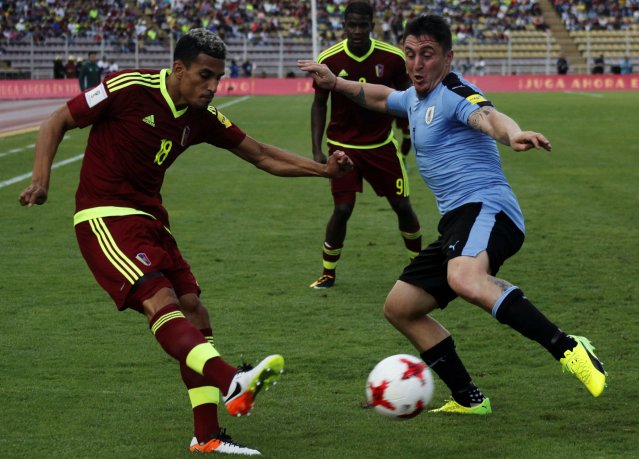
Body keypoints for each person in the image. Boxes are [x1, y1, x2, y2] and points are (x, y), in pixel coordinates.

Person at [19, 28, 352, 454]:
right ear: (178, 70)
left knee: (194, 309)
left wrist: (324, 171)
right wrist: (41, 180)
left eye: (218, 78)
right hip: (104, 217)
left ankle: (207, 436)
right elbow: (58, 120)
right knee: (161, 302)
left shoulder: (200, 118)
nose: (213, 87)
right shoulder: (129, 87)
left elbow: (262, 155)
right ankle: (233, 380)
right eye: (204, 76)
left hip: (152, 221)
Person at [299, 14, 606, 413]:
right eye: (410, 54)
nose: (416, 64)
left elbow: (488, 116)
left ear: (448, 58)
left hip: (489, 208)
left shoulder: (454, 92)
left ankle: (569, 348)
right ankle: (469, 399)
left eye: (427, 55)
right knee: (400, 307)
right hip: (457, 224)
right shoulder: (412, 98)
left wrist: (511, 133)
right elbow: (377, 96)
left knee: (463, 277)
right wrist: (335, 82)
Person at [308, 0, 422, 289]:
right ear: (344, 25)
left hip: (381, 145)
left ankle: (420, 267)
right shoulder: (329, 59)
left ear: (373, 26)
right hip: (342, 146)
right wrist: (317, 148)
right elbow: (319, 104)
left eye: (363, 25)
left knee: (402, 205)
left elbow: (408, 100)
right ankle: (328, 272)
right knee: (343, 209)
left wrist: (408, 134)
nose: (357, 31)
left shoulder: (394, 58)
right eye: (351, 25)